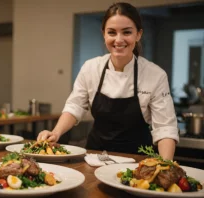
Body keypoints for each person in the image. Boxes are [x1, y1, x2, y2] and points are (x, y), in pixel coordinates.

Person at [37, 2, 178, 160]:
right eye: (112, 32)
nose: (119, 40)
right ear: (104, 34)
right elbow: (75, 105)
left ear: (138, 35)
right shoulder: (91, 68)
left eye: (126, 32)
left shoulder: (155, 75)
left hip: (137, 160)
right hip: (95, 157)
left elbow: (165, 127)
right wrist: (56, 132)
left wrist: (166, 165)